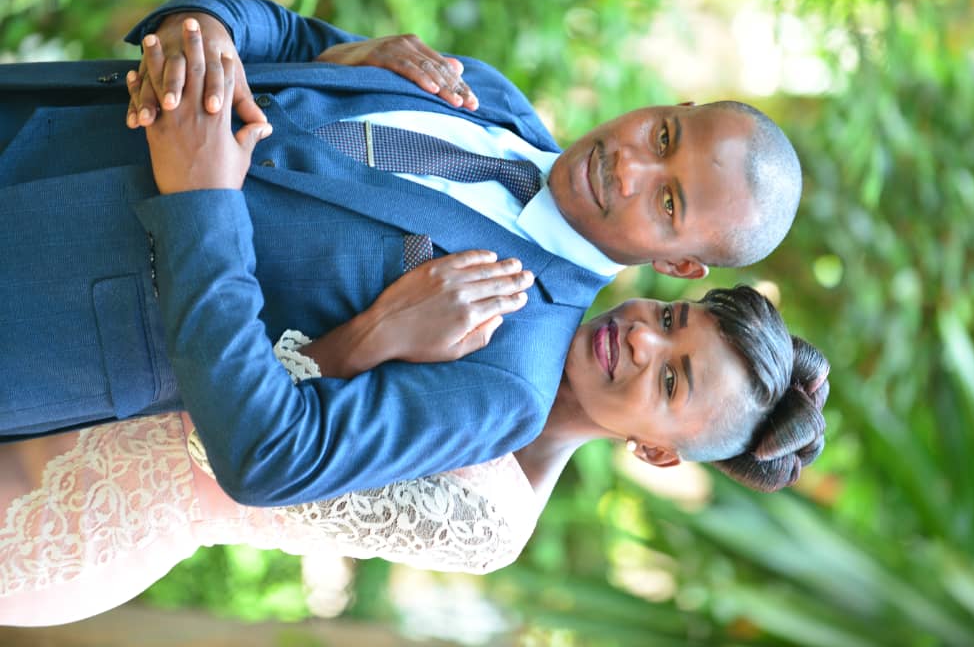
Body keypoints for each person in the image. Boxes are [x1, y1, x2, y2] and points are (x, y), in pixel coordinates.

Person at [0, 0, 803, 507]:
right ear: (673, 106)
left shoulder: (512, 372)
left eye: (668, 202)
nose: (629, 167)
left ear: (680, 264)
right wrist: (206, 31)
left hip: (36, 311)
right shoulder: (493, 97)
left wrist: (202, 203)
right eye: (664, 137)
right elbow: (296, 41)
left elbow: (271, 456)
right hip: (38, 123)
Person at [0, 284, 829, 627]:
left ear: (655, 451)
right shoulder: (526, 290)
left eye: (672, 380)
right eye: (674, 317)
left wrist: (380, 333)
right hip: (106, 351)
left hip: (95, 495)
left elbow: (250, 454)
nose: (643, 336)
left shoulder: (492, 518)